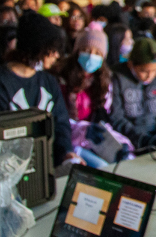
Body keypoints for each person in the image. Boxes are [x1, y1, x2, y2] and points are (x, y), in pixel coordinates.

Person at [0, 12, 77, 168]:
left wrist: (66, 151)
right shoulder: (0, 82)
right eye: (51, 49)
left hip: (49, 161)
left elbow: (61, 123)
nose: (56, 55)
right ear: (36, 47)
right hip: (12, 165)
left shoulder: (48, 81)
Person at [56, 22, 134, 167]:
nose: (91, 56)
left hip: (95, 137)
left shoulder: (104, 81)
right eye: (86, 50)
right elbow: (60, 120)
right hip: (71, 140)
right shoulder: (62, 79)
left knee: (126, 159)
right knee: (101, 167)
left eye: (97, 53)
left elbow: (105, 115)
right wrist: (84, 130)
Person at [110, 38, 156, 150]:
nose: (150, 76)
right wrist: (147, 141)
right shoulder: (117, 79)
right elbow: (116, 118)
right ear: (131, 64)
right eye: (144, 71)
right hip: (130, 142)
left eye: (155, 70)